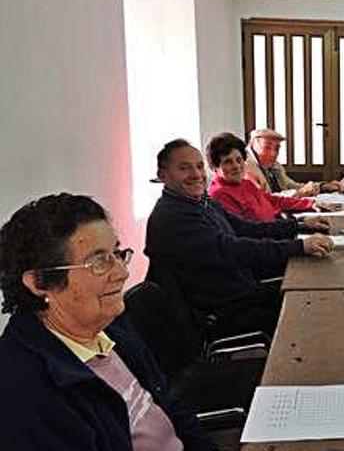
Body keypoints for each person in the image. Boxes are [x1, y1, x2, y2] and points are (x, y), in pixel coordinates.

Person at [0, 193, 216, 451]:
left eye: (117, 253)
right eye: (99, 262)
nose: (122, 273)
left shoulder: (109, 326)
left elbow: (169, 407)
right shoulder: (23, 393)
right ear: (38, 283)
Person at [145, 139, 334, 337]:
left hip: (242, 292)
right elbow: (232, 249)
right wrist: (299, 246)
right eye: (184, 168)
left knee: (319, 295)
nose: (196, 175)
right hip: (221, 311)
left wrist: (300, 225)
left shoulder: (201, 202)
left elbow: (246, 228)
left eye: (199, 166)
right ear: (162, 175)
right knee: (313, 318)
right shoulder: (172, 217)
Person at [206, 132, 332, 221]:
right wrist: (298, 226)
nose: (237, 166)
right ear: (215, 167)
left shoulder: (245, 184)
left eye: (239, 160)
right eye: (228, 162)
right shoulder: (219, 195)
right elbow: (249, 231)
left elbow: (272, 199)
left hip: (279, 231)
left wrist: (309, 203)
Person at [243, 128, 340, 196]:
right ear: (252, 146)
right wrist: (301, 193)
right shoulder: (247, 167)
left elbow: (291, 185)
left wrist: (323, 186)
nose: (273, 153)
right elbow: (266, 199)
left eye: (277, 148)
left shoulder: (275, 166)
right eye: (267, 147)